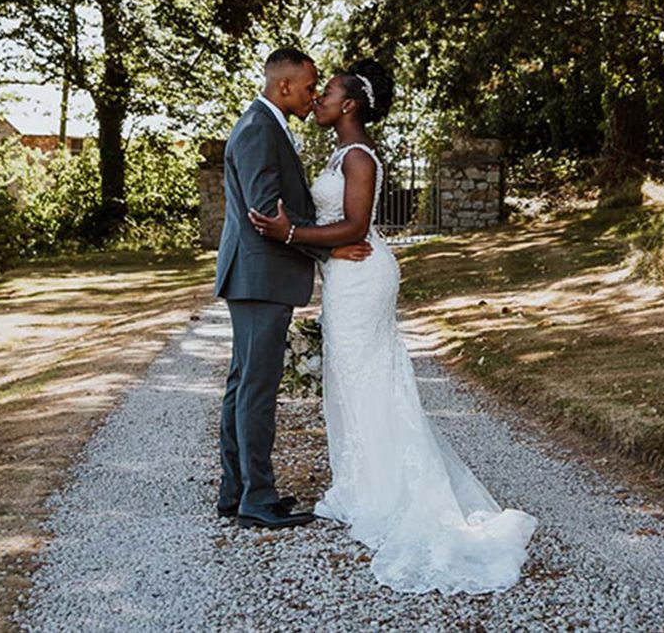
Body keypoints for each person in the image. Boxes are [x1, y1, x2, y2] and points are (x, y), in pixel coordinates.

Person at [248, 58, 538, 593]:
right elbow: (337, 227)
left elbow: (356, 226)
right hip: (344, 272)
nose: (319, 99)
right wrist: (315, 238)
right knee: (350, 377)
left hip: (362, 274)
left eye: (327, 92)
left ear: (350, 104)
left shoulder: (359, 155)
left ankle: (384, 494)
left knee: (368, 377)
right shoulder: (339, 152)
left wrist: (291, 235)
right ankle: (358, 484)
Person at [214, 47, 372, 530]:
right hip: (260, 276)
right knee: (256, 388)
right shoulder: (261, 129)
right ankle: (256, 498)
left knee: (243, 384)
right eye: (309, 87)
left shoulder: (263, 124)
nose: (312, 95)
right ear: (284, 86)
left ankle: (237, 490)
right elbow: (267, 214)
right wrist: (326, 249)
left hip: (255, 276)